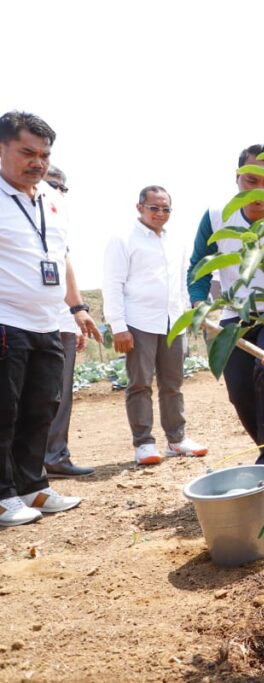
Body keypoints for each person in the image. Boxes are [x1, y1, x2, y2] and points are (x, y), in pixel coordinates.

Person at [0, 111, 101, 526]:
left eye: (44, 154)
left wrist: (77, 309)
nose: (38, 162)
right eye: (27, 152)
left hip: (47, 322)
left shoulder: (51, 199)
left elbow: (61, 258)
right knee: (4, 411)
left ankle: (33, 488)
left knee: (41, 408)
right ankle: (3, 496)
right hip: (6, 322)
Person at [188, 145, 264, 482]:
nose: (258, 190)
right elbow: (198, 266)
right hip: (235, 316)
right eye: (251, 179)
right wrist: (198, 302)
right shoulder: (216, 217)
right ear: (237, 177)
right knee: (239, 391)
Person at [103, 186, 207, 465]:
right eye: (154, 208)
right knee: (140, 384)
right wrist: (118, 326)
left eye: (166, 209)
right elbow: (113, 284)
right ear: (140, 208)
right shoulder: (123, 239)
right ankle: (144, 443)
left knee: (173, 384)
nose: (160, 213)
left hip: (173, 322)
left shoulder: (176, 241)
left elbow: (182, 282)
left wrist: (188, 316)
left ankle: (177, 439)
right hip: (139, 322)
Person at [42, 166, 95, 478]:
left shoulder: (58, 227)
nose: (58, 192)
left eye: (63, 188)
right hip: (25, 323)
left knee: (60, 395)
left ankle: (55, 456)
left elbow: (65, 269)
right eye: (52, 185)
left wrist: (78, 318)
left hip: (62, 321)